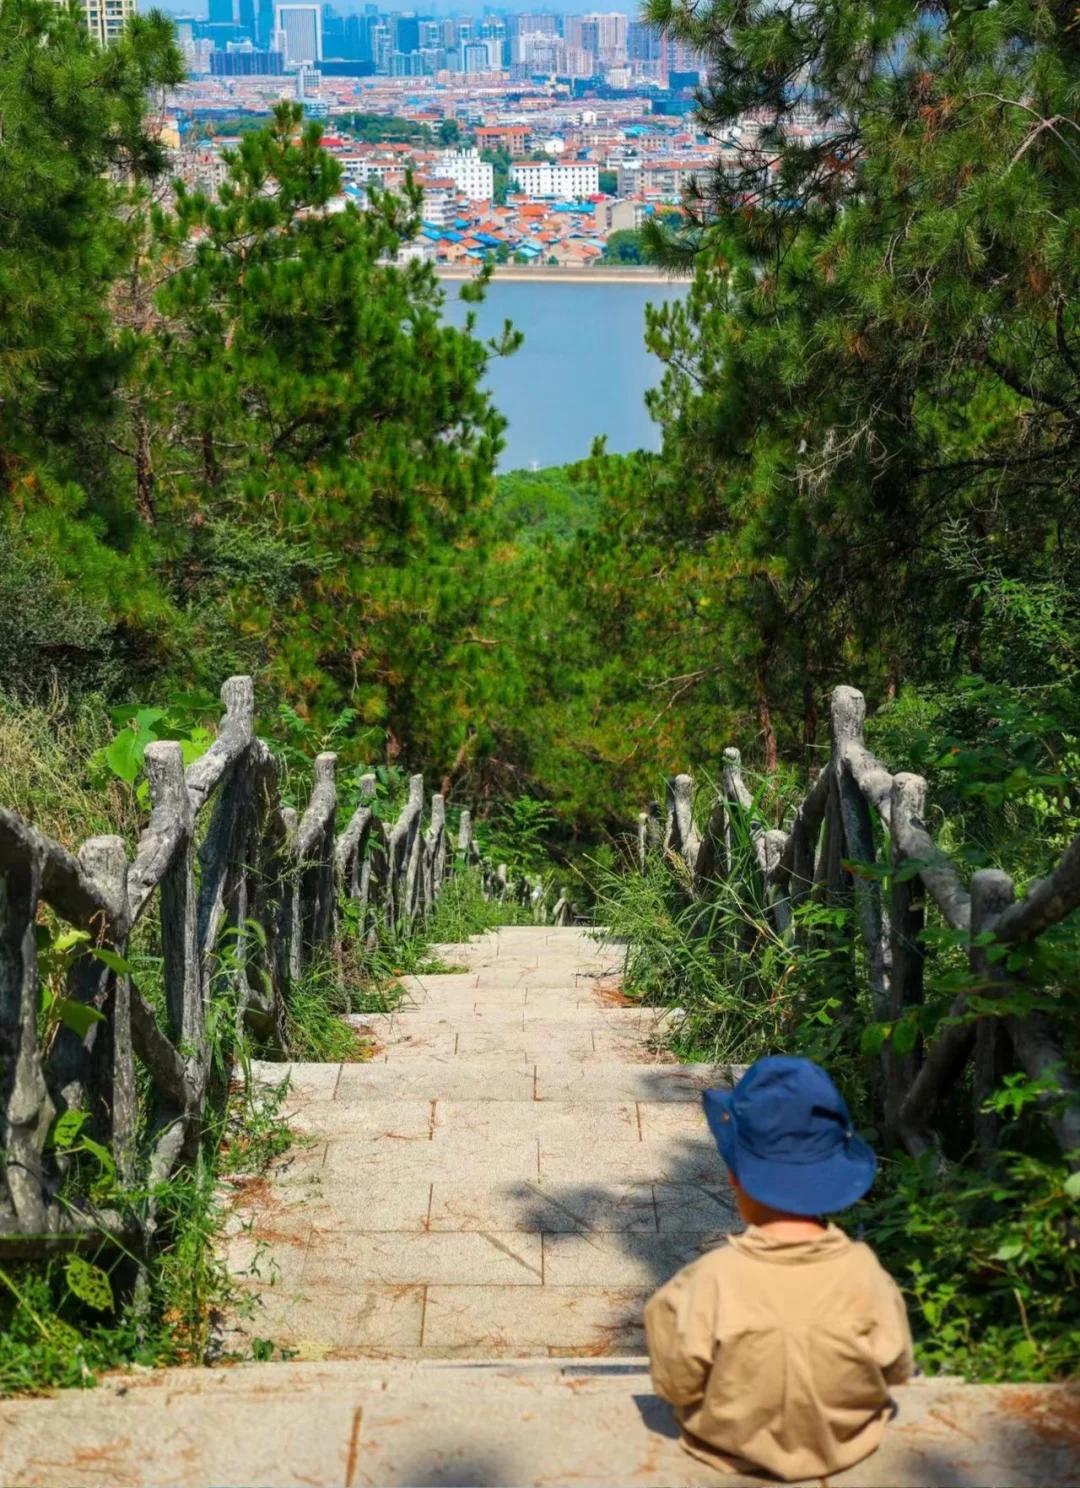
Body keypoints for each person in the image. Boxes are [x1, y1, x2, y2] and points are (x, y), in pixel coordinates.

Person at [644, 1055, 914, 1483]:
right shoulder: (867, 1274)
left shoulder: (705, 1283)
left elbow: (675, 1384)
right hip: (845, 1446)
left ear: (736, 1177)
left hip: (728, 1448)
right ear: (834, 1176)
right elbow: (896, 1369)